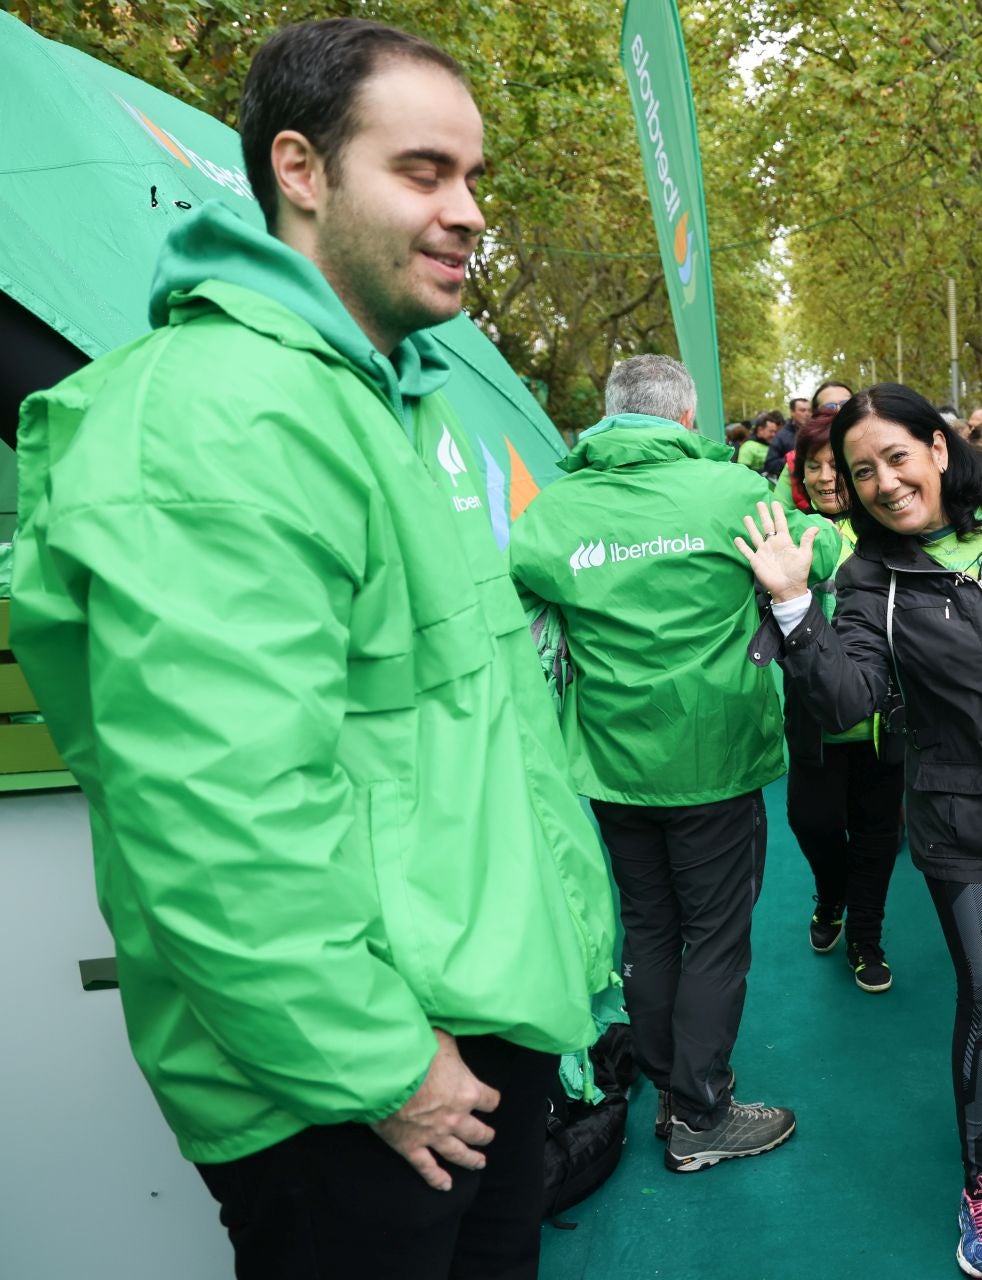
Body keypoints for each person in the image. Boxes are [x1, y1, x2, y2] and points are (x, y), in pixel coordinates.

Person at [7, 19, 617, 1276]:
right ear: (300, 169)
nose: (469, 212)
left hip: (457, 1032)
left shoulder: (391, 399)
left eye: (474, 178)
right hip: (355, 1084)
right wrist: (387, 1068)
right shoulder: (217, 415)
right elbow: (216, 810)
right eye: (423, 171)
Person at [735, 384, 982, 1280]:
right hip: (965, 829)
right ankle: (981, 1182)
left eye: (896, 457)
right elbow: (847, 700)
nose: (882, 482)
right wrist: (798, 607)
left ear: (940, 446)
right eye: (860, 471)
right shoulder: (872, 579)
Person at [510, 353, 821, 1176]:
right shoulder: (732, 494)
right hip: (715, 756)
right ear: (686, 419)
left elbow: (520, 590)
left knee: (649, 927)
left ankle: (671, 1092)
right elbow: (809, 558)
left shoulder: (554, 509)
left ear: (610, 415)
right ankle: (702, 1113)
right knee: (716, 935)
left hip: (613, 760)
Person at [781, 412, 907, 992]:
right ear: (801, 473)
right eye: (816, 466)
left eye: (839, 466)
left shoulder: (893, 525)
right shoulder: (787, 533)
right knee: (813, 823)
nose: (829, 477)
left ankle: (866, 936)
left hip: (885, 717)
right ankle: (830, 894)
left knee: (880, 832)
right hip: (814, 719)